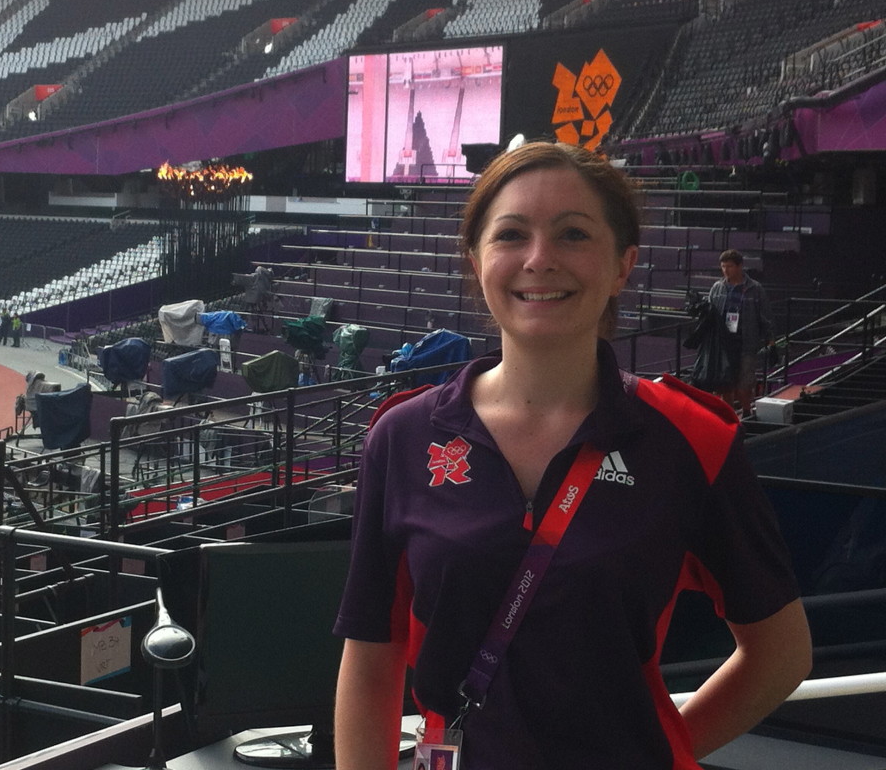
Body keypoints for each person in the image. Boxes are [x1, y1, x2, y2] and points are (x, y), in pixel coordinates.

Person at [333, 141, 810, 770]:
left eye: (574, 234)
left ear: (621, 265)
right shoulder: (403, 437)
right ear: (476, 259)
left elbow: (779, 653)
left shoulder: (692, 440)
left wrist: (664, 751)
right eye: (511, 235)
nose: (540, 259)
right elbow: (372, 657)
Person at [708, 249, 774, 418]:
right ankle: (729, 416)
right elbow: (710, 313)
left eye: (729, 266)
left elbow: (765, 316)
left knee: (745, 382)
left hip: (746, 343)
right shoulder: (717, 288)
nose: (726, 270)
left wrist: (770, 340)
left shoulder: (755, 289)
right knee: (725, 383)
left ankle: (746, 412)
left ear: (740, 266)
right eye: (723, 266)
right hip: (723, 344)